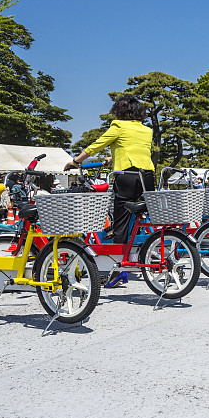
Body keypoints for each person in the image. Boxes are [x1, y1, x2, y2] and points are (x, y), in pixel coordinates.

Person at [64, 95, 155, 288]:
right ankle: (147, 249)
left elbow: (95, 145)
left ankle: (118, 269)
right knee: (140, 217)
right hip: (147, 177)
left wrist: (76, 161)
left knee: (120, 221)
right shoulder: (146, 130)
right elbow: (133, 149)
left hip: (127, 176)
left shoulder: (119, 127)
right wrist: (112, 157)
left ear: (120, 110)